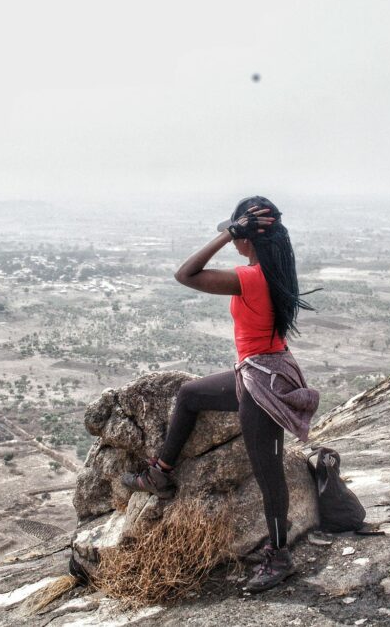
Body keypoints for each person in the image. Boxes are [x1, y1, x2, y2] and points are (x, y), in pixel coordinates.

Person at [120, 195, 320, 594]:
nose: (232, 242)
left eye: (235, 236)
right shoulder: (274, 268)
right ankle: (160, 473)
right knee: (191, 394)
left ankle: (279, 555)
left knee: (269, 474)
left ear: (245, 238)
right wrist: (234, 233)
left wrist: (226, 235)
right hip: (257, 369)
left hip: (264, 382)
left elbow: (186, 274)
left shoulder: (251, 278)